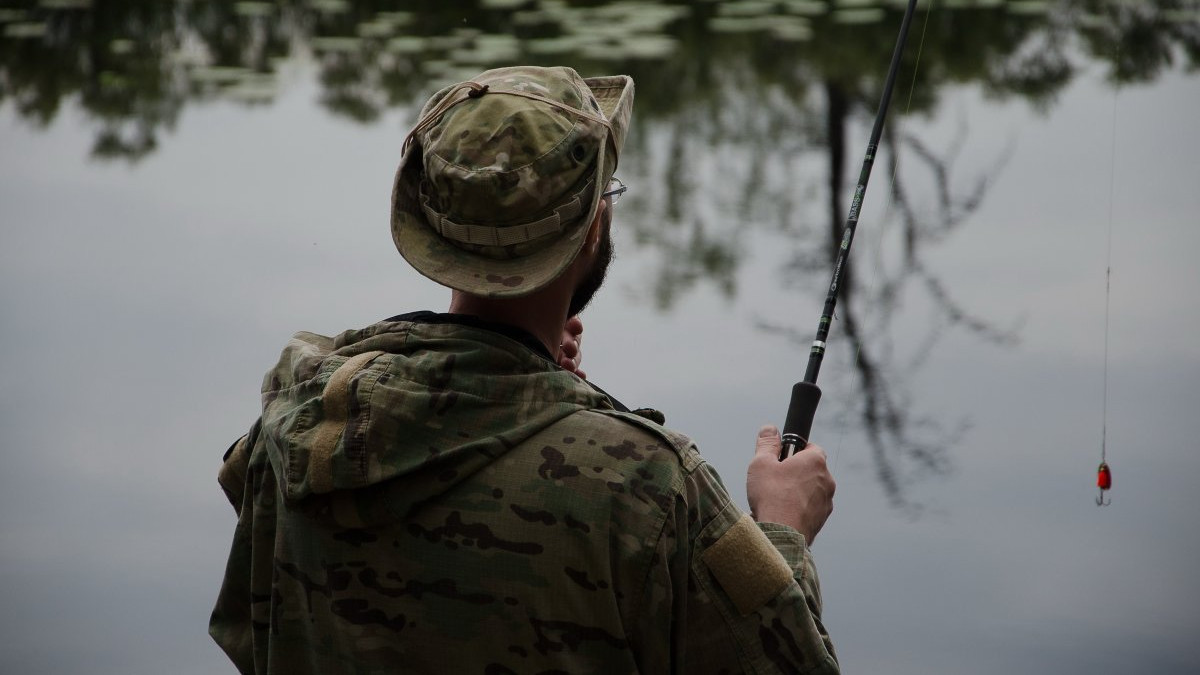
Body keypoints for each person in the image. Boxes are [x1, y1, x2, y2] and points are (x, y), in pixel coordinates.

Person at [210, 65, 839, 674]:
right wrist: (784, 528)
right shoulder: (651, 487)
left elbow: (248, 636)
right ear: (593, 229)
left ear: (433, 232)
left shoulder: (292, 430)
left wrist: (540, 388)